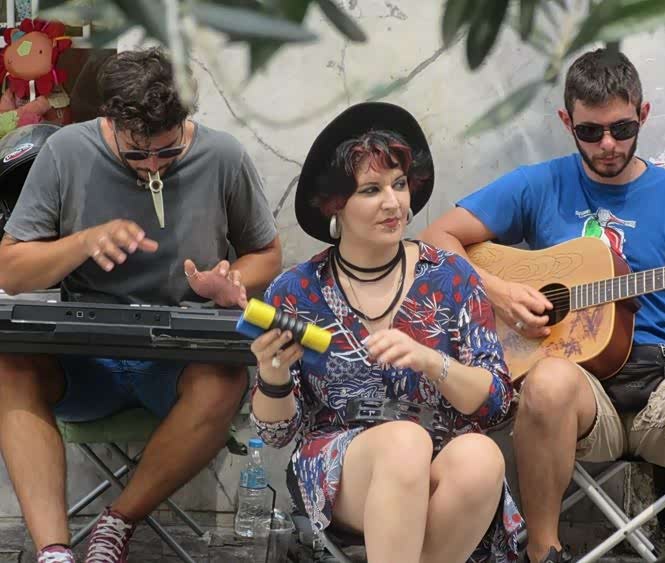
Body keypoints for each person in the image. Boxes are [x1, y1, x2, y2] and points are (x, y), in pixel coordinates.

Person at [421, 49, 665, 563]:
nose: (608, 144)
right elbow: (435, 239)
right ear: (566, 122)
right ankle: (543, 553)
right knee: (547, 382)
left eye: (622, 128)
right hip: (580, 391)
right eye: (590, 132)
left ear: (643, 114)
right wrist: (498, 292)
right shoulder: (539, 183)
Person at [0, 48, 281, 562]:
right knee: (10, 366)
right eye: (137, 154)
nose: (152, 166)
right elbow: (10, 270)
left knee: (225, 379)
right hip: (85, 359)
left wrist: (230, 281)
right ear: (110, 120)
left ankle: (117, 522)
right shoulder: (66, 151)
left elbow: (267, 254)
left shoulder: (223, 157)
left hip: (178, 362)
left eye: (167, 151)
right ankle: (54, 551)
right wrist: (82, 242)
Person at [250, 101, 523, 563]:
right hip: (341, 468)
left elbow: (495, 403)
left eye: (399, 184)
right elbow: (276, 435)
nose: (393, 203)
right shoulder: (296, 291)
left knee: (482, 456)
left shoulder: (452, 276)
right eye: (371, 190)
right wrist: (272, 375)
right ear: (336, 205)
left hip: (440, 458)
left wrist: (431, 361)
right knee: (404, 442)